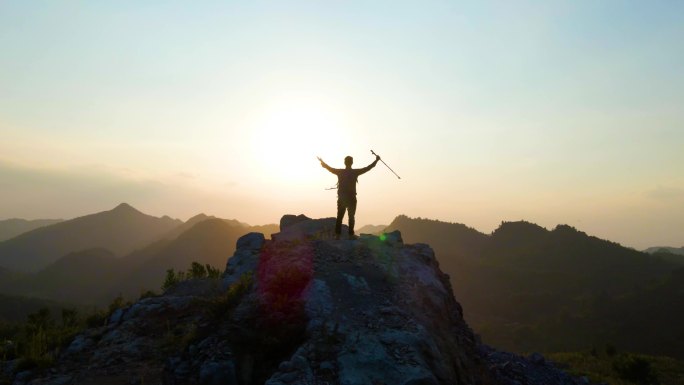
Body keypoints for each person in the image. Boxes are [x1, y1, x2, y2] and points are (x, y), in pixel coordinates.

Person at [318, 154, 380, 239]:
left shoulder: (340, 172)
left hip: (342, 198)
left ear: (344, 163)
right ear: (352, 163)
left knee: (339, 216)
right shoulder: (355, 172)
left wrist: (323, 163)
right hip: (351, 197)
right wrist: (376, 161)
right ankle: (351, 235)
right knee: (351, 216)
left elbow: (329, 168)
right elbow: (367, 168)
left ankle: (337, 235)